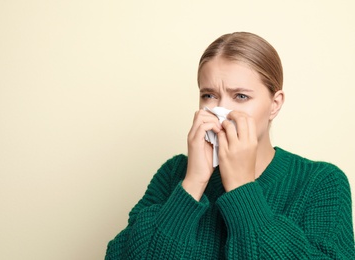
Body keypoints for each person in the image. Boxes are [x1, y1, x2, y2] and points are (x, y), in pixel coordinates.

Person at [105, 32, 355, 259]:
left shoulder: (321, 182)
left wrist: (243, 190)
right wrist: (192, 184)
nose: (220, 111)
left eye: (241, 96)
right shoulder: (174, 174)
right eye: (209, 95)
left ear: (274, 105)